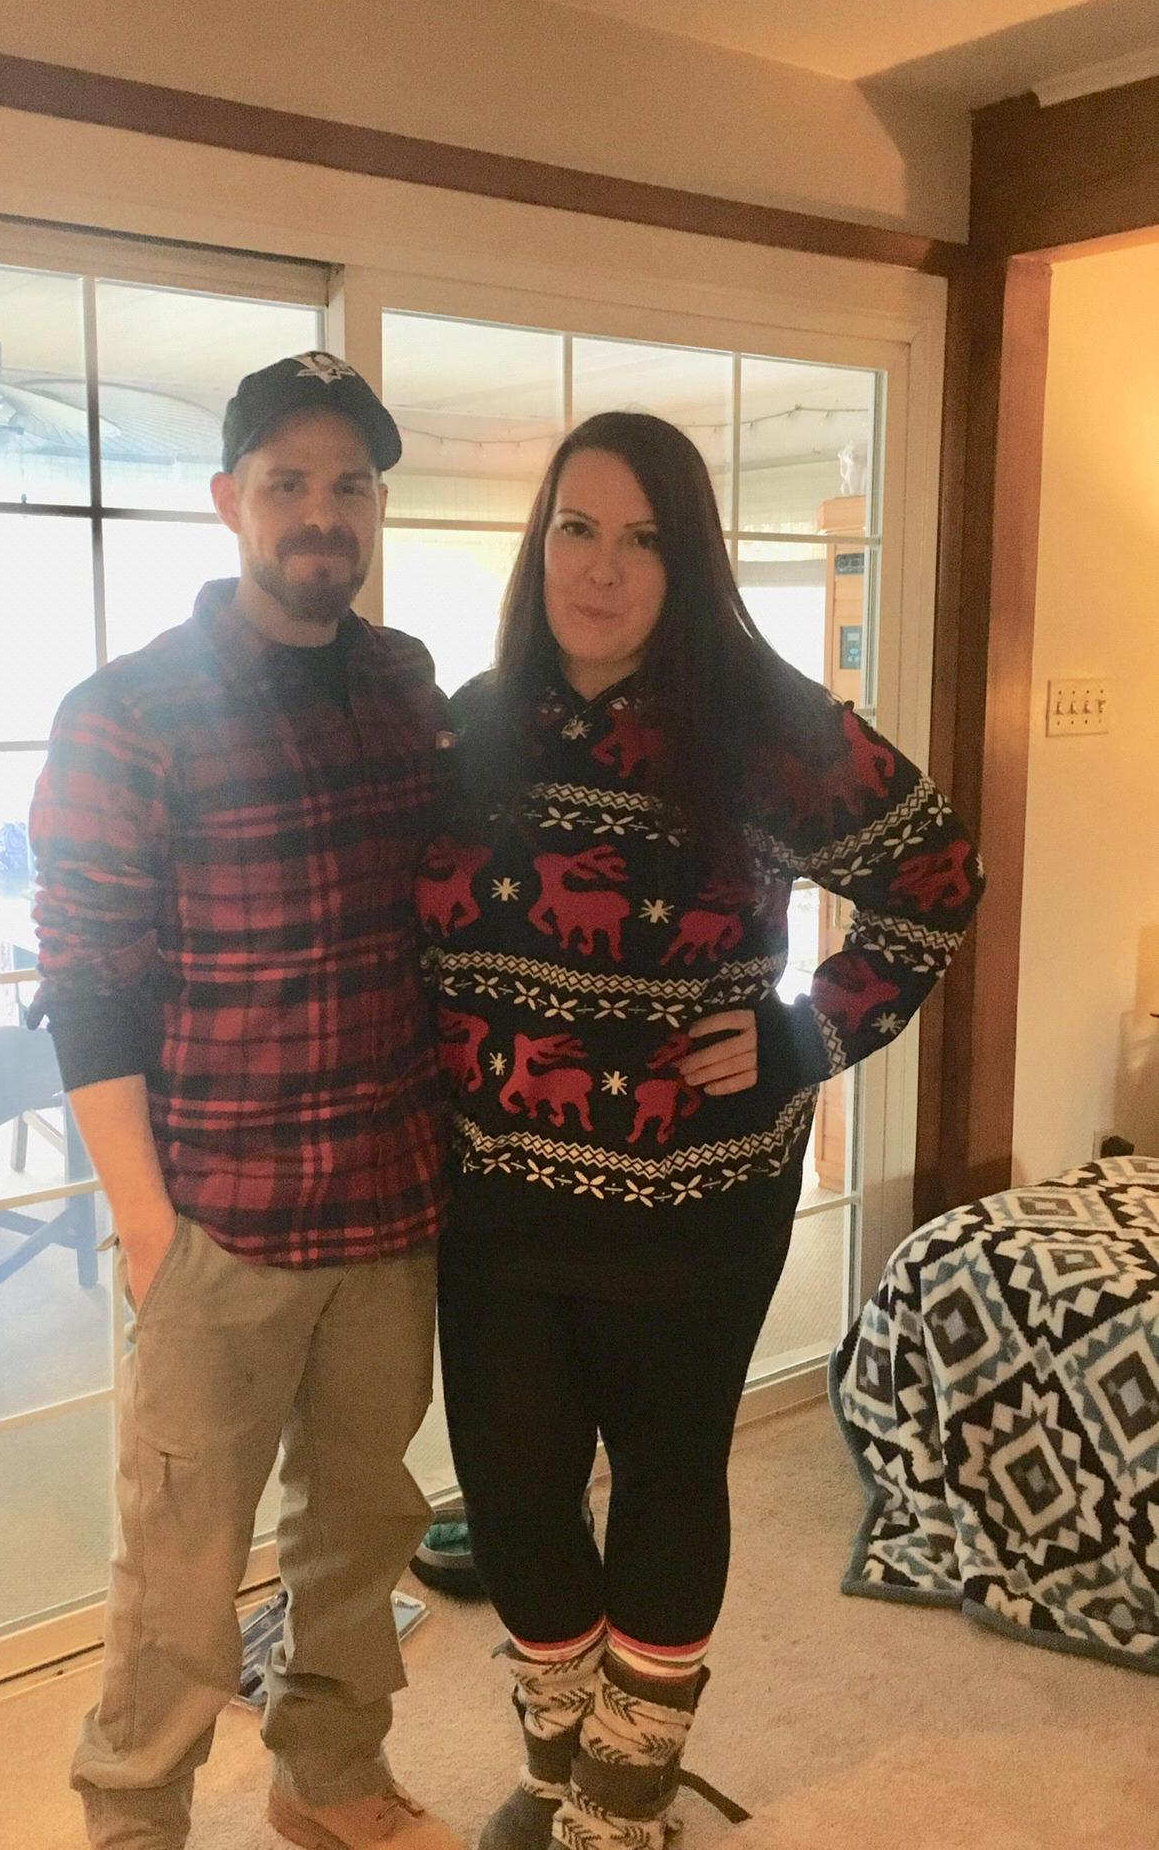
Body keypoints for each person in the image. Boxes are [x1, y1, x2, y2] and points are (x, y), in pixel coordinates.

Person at [420, 412, 983, 1850]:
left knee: (667, 1482)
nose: (602, 569)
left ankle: (621, 1803)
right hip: (494, 1199)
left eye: (644, 539)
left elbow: (936, 872)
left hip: (696, 1201)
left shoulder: (767, 729)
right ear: (539, 545)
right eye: (576, 530)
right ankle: (565, 1764)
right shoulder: (470, 726)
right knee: (514, 1500)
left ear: (692, 561)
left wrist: (808, 1031)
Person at [30, 352, 460, 1850]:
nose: (321, 514)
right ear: (230, 501)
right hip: (221, 1218)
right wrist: (148, 1229)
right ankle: (133, 1818)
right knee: (178, 1566)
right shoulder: (126, 713)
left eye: (351, 486)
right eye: (288, 484)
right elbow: (88, 981)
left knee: (363, 1528)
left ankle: (327, 1774)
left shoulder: (406, 686)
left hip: (392, 1206)